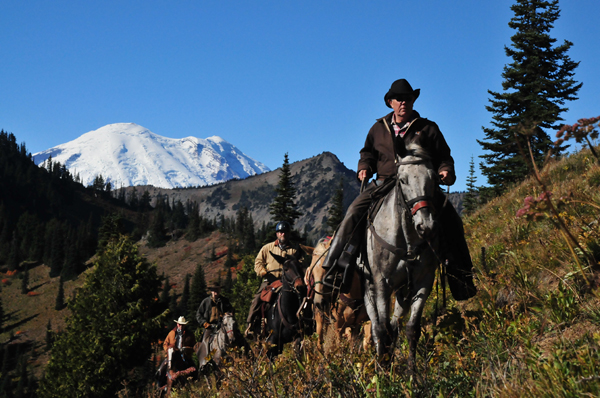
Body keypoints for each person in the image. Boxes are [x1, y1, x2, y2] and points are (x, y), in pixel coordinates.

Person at [322, 78, 476, 300]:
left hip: (419, 185)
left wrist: (445, 170)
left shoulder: (428, 128)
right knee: (354, 211)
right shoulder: (377, 128)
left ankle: (461, 277)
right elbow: (367, 153)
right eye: (399, 99)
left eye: (408, 98)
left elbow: (444, 156)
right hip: (385, 182)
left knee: (451, 220)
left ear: (413, 101)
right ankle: (335, 268)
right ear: (390, 102)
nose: (404, 102)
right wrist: (364, 166)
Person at [244, 221, 305, 337]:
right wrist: (263, 272)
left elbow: (299, 264)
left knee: (303, 296)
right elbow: (258, 263)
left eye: (285, 232)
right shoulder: (267, 248)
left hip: (288, 281)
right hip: (270, 281)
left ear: (288, 234)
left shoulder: (294, 251)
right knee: (257, 299)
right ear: (277, 234)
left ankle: (306, 322)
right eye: (280, 232)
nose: (283, 234)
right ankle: (250, 325)